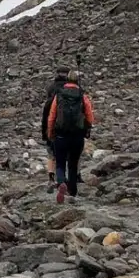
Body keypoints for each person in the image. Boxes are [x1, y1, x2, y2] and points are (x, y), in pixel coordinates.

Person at [42, 68, 94, 203]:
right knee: (73, 163)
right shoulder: (82, 95)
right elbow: (89, 115)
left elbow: (52, 116)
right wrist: (87, 128)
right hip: (77, 135)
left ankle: (60, 183)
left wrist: (50, 131)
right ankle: (72, 191)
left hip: (60, 134)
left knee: (60, 162)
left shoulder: (59, 94)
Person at [39, 68, 72, 190]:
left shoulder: (51, 89)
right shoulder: (74, 90)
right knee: (68, 154)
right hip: (70, 129)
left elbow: (48, 116)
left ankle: (52, 178)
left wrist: (45, 132)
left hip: (54, 129)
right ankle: (69, 178)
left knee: (52, 154)